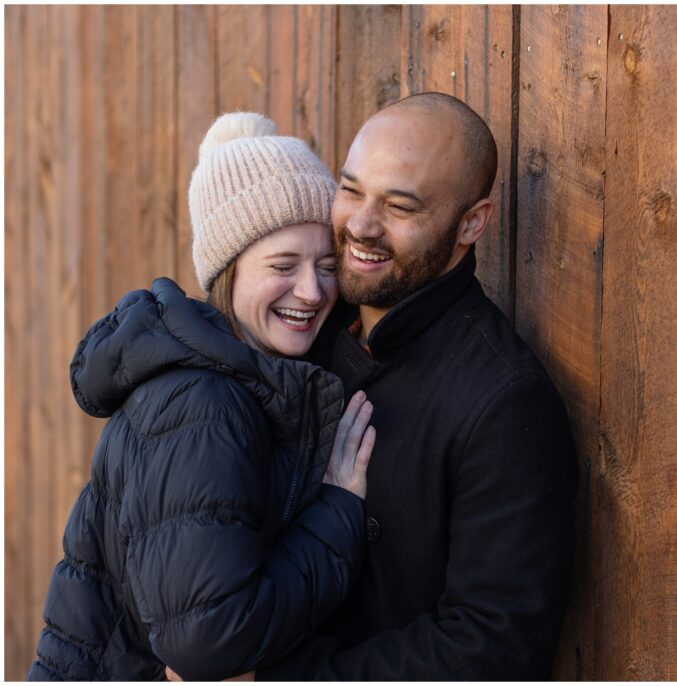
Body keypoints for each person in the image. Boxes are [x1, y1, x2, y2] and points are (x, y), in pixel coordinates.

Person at [28, 113, 375, 681]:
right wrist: (338, 511)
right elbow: (210, 639)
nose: (312, 291)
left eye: (327, 266)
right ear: (227, 273)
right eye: (283, 266)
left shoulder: (245, 376)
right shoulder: (204, 404)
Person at [256, 92, 579, 679]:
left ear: (471, 223)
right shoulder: (306, 327)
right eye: (351, 189)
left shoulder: (504, 402)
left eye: (400, 207)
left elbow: (491, 646)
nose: (360, 225)